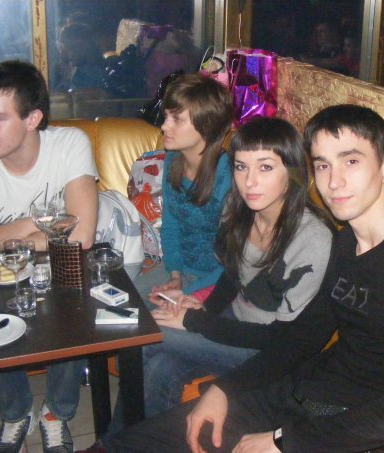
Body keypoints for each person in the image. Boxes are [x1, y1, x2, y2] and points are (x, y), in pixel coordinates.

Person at [106, 104, 384, 452]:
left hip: (341, 425)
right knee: (136, 443)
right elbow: (300, 340)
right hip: (298, 393)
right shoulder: (346, 244)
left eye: (351, 161)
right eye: (323, 165)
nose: (334, 181)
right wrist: (224, 389)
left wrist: (283, 441)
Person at [103, 117, 333, 443]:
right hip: (233, 322)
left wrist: (196, 322)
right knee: (158, 368)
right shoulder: (239, 210)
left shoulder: (311, 239)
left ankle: (111, 445)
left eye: (265, 168)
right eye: (241, 167)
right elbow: (232, 275)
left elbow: (282, 340)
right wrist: (204, 307)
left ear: (293, 172)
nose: (249, 181)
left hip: (266, 351)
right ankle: (129, 443)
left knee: (146, 333)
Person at [0, 60, 98, 452]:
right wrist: (27, 226)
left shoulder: (69, 144)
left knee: (76, 298)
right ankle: (15, 411)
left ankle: (57, 412)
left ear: (32, 119)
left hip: (57, 266)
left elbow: (81, 237)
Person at [131, 72, 234, 310]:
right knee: (120, 306)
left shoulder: (229, 175)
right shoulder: (172, 159)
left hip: (219, 283)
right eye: (167, 116)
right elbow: (171, 225)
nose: (164, 126)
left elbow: (235, 262)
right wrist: (175, 275)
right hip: (178, 270)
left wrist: (185, 292)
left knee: (153, 323)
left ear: (207, 124)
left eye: (177, 119)